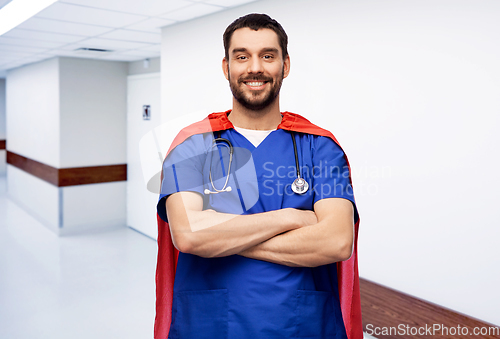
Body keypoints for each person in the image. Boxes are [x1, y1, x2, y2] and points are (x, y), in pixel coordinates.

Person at [155, 13, 362, 339]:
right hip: (212, 324)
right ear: (226, 67)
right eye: (242, 56)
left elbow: (336, 242)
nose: (255, 67)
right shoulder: (193, 144)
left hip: (299, 325)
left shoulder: (320, 146)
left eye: (268, 56)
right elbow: (189, 236)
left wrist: (221, 236)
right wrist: (292, 217)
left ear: (285, 65)